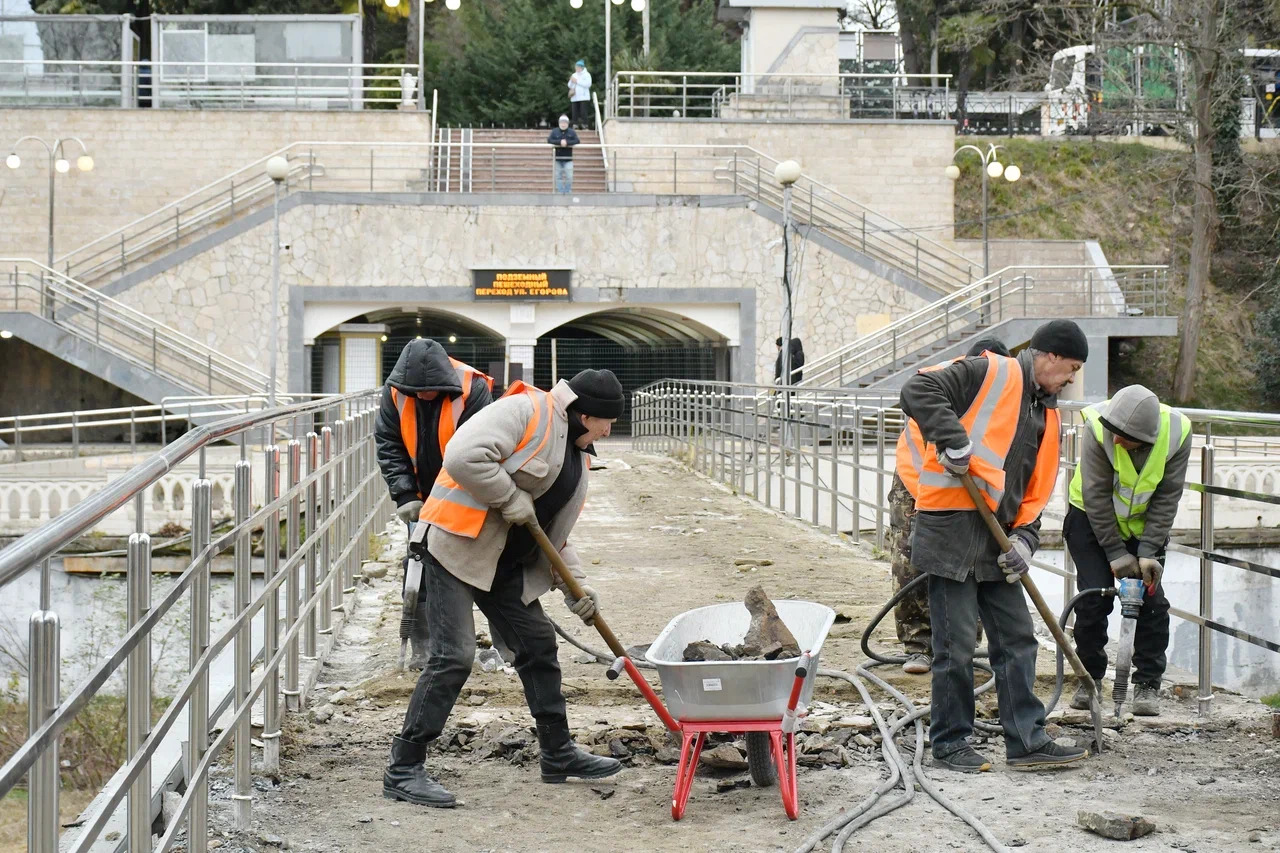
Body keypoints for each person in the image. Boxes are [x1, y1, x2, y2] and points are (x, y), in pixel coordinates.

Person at [383, 368, 626, 808]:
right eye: (607, 423)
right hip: (454, 549)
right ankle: (404, 767)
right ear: (586, 414)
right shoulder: (526, 411)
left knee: (537, 644)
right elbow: (462, 455)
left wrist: (578, 588)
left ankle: (558, 754)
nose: (609, 432)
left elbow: (554, 533)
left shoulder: (576, 452)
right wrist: (509, 496)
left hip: (503, 564)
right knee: (454, 656)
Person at [897, 319, 1091, 772]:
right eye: (1071, 368)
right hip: (951, 530)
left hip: (999, 540)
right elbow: (917, 390)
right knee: (956, 644)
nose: (1070, 379)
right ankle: (949, 742)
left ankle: (1027, 740)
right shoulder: (990, 372)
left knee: (1018, 638)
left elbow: (1034, 488)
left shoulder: (1046, 412)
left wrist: (1026, 539)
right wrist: (953, 439)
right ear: (1050, 357)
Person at [1065, 384, 1190, 717]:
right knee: (1093, 599)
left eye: (1124, 436)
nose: (1116, 439)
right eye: (1113, 432)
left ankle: (1147, 684)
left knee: (1151, 603)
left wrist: (1148, 550)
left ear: (1145, 438)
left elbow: (1167, 496)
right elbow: (1095, 494)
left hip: (1143, 527)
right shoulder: (1097, 425)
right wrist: (1115, 554)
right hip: (1091, 521)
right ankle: (1089, 679)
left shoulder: (1177, 432)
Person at [888, 337, 1011, 675]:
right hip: (915, 486)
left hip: (970, 491)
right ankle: (918, 644)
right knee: (911, 560)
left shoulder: (1005, 398)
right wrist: (927, 507)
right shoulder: (948, 386)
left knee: (972, 565)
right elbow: (922, 458)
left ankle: (963, 644)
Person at [374, 339, 494, 670]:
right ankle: (422, 647)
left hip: (467, 495)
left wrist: (446, 505)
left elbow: (479, 450)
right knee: (419, 566)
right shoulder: (397, 391)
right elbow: (389, 443)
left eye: (430, 391)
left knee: (485, 568)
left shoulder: (474, 389)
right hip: (420, 498)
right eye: (417, 392)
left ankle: (503, 647)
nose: (423, 396)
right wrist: (405, 495)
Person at [547, 115, 580, 194]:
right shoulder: (554, 131)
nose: (563, 124)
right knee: (558, 176)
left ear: (568, 123)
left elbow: (577, 141)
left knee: (569, 176)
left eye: (565, 122)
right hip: (557, 158)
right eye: (561, 122)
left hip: (568, 159)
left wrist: (567, 143)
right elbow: (549, 140)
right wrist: (560, 142)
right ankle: (561, 192)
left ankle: (567, 191)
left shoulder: (572, 132)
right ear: (559, 123)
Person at [568, 59, 592, 128]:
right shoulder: (574, 75)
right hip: (575, 96)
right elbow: (569, 85)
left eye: (578, 67)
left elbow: (588, 84)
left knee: (583, 111)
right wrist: (572, 81)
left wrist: (577, 81)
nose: (577, 69)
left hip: (583, 97)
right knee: (575, 111)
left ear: (581, 67)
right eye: (576, 67)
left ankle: (585, 124)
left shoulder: (587, 75)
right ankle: (575, 124)